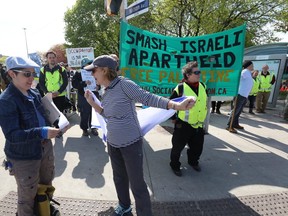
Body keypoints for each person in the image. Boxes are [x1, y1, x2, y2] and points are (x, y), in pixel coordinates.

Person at [84, 55, 195, 216]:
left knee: (137, 184)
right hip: (113, 143)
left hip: (130, 143)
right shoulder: (105, 90)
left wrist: (175, 105)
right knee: (119, 179)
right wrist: (94, 104)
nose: (92, 74)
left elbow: (148, 98)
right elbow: (108, 114)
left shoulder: (124, 84)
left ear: (104, 70)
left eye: (94, 70)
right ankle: (124, 206)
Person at [0, 56, 63, 216]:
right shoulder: (6, 100)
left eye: (33, 74)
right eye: (26, 74)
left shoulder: (34, 92)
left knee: (46, 184)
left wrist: (57, 123)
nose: (32, 78)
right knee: (27, 195)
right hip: (24, 156)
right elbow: (12, 135)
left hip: (45, 148)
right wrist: (42, 132)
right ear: (12, 74)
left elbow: (43, 115)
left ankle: (44, 209)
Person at [169, 61, 207, 177]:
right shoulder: (180, 88)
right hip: (183, 125)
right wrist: (173, 118)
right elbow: (170, 104)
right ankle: (175, 165)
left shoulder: (203, 86)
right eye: (196, 72)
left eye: (199, 71)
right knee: (177, 147)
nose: (199, 74)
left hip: (199, 124)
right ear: (188, 75)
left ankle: (193, 162)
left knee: (197, 147)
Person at [72, 57, 99, 136]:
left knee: (94, 112)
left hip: (94, 94)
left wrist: (98, 87)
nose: (90, 65)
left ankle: (94, 128)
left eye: (91, 63)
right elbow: (75, 84)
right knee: (84, 112)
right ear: (84, 65)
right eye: (89, 63)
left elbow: (99, 82)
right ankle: (84, 129)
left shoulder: (94, 72)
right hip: (83, 95)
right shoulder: (78, 73)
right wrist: (84, 83)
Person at [226, 60, 254, 133]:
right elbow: (237, 78)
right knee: (235, 110)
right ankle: (229, 126)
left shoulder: (248, 72)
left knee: (238, 111)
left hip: (244, 95)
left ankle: (235, 124)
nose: (253, 66)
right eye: (252, 65)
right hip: (240, 94)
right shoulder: (244, 71)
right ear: (249, 65)